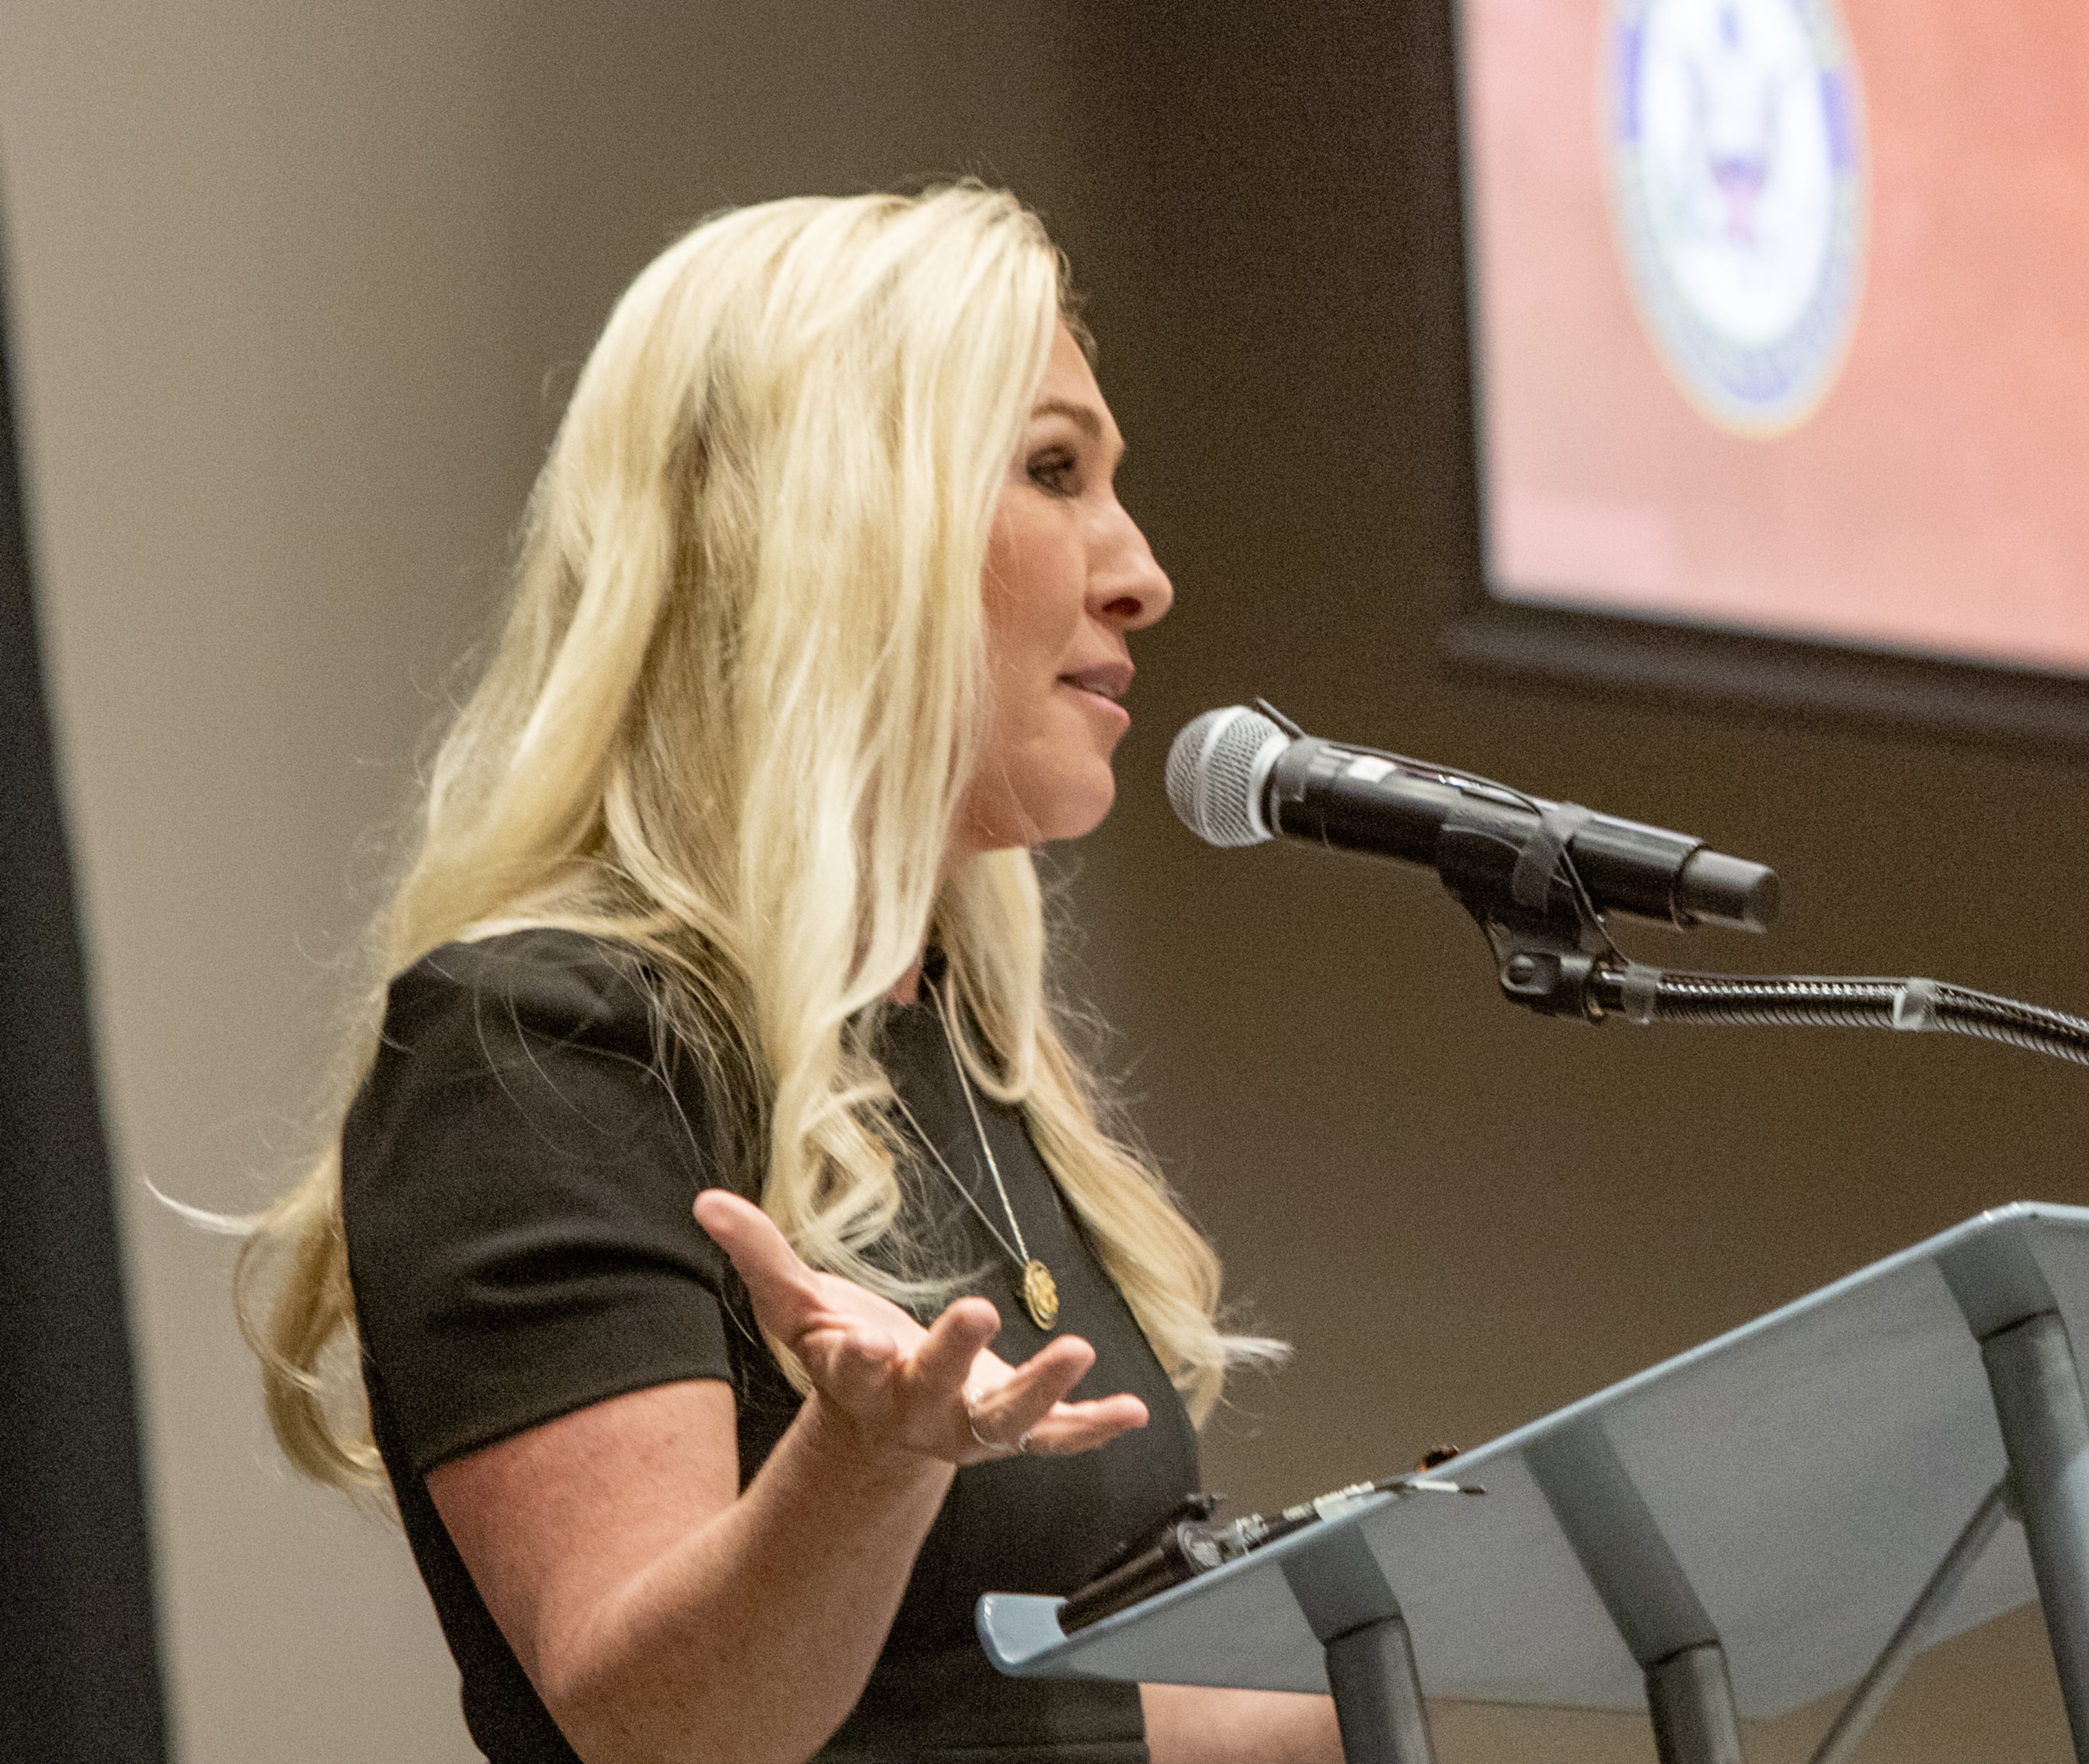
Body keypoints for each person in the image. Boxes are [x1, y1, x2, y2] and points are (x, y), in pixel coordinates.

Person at [237, 186, 1344, 1764]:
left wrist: (1435, 1637)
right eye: (1052, 473)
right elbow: (659, 1728)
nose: (1141, 572)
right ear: (834, 522)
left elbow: (1033, 1720)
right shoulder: (542, 1043)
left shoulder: (947, 1049)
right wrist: (866, 1462)